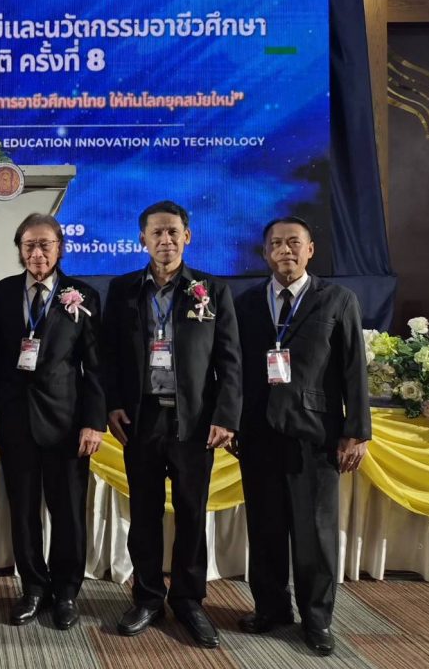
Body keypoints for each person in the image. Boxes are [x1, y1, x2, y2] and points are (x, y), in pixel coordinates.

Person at [103, 200, 241, 648]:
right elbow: (108, 356)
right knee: (144, 513)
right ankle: (146, 598)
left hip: (194, 423)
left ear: (188, 237)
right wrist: (112, 405)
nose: (165, 240)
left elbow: (230, 361)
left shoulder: (212, 290)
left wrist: (225, 416)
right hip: (141, 419)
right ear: (142, 239)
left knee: (191, 512)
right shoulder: (122, 289)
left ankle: (188, 600)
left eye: (173, 232)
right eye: (156, 233)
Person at [233, 217, 370, 656]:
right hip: (258, 434)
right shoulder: (247, 302)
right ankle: (271, 609)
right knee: (266, 529)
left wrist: (356, 432)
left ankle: (317, 619)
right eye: (276, 243)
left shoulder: (337, 299)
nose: (285, 250)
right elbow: (233, 370)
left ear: (310, 250)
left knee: (315, 534)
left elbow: (354, 369)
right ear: (265, 252)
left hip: (315, 435)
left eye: (294, 242)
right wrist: (232, 421)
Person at [0, 213, 106, 630]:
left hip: (67, 423)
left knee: (68, 512)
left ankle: (67, 592)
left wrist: (94, 422)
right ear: (20, 250)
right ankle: (34, 588)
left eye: (45, 245)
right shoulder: (2, 292)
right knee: (23, 511)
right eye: (29, 245)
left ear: (60, 248)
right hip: (16, 421)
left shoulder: (82, 294)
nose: (37, 253)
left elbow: (96, 367)